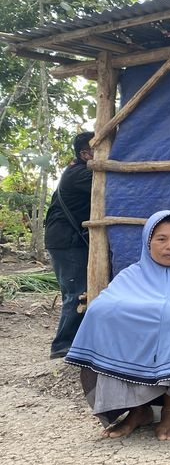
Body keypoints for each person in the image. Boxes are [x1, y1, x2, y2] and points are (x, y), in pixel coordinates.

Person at [65, 210, 170, 440]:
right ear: (148, 242)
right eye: (161, 239)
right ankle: (138, 410)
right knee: (108, 319)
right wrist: (147, 318)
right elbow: (101, 308)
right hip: (143, 354)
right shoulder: (133, 274)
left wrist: (164, 316)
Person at [44, 132, 95, 359]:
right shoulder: (81, 174)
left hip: (67, 239)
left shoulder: (79, 170)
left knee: (77, 291)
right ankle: (62, 345)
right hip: (65, 241)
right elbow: (115, 184)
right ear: (85, 154)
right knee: (76, 292)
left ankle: (75, 341)